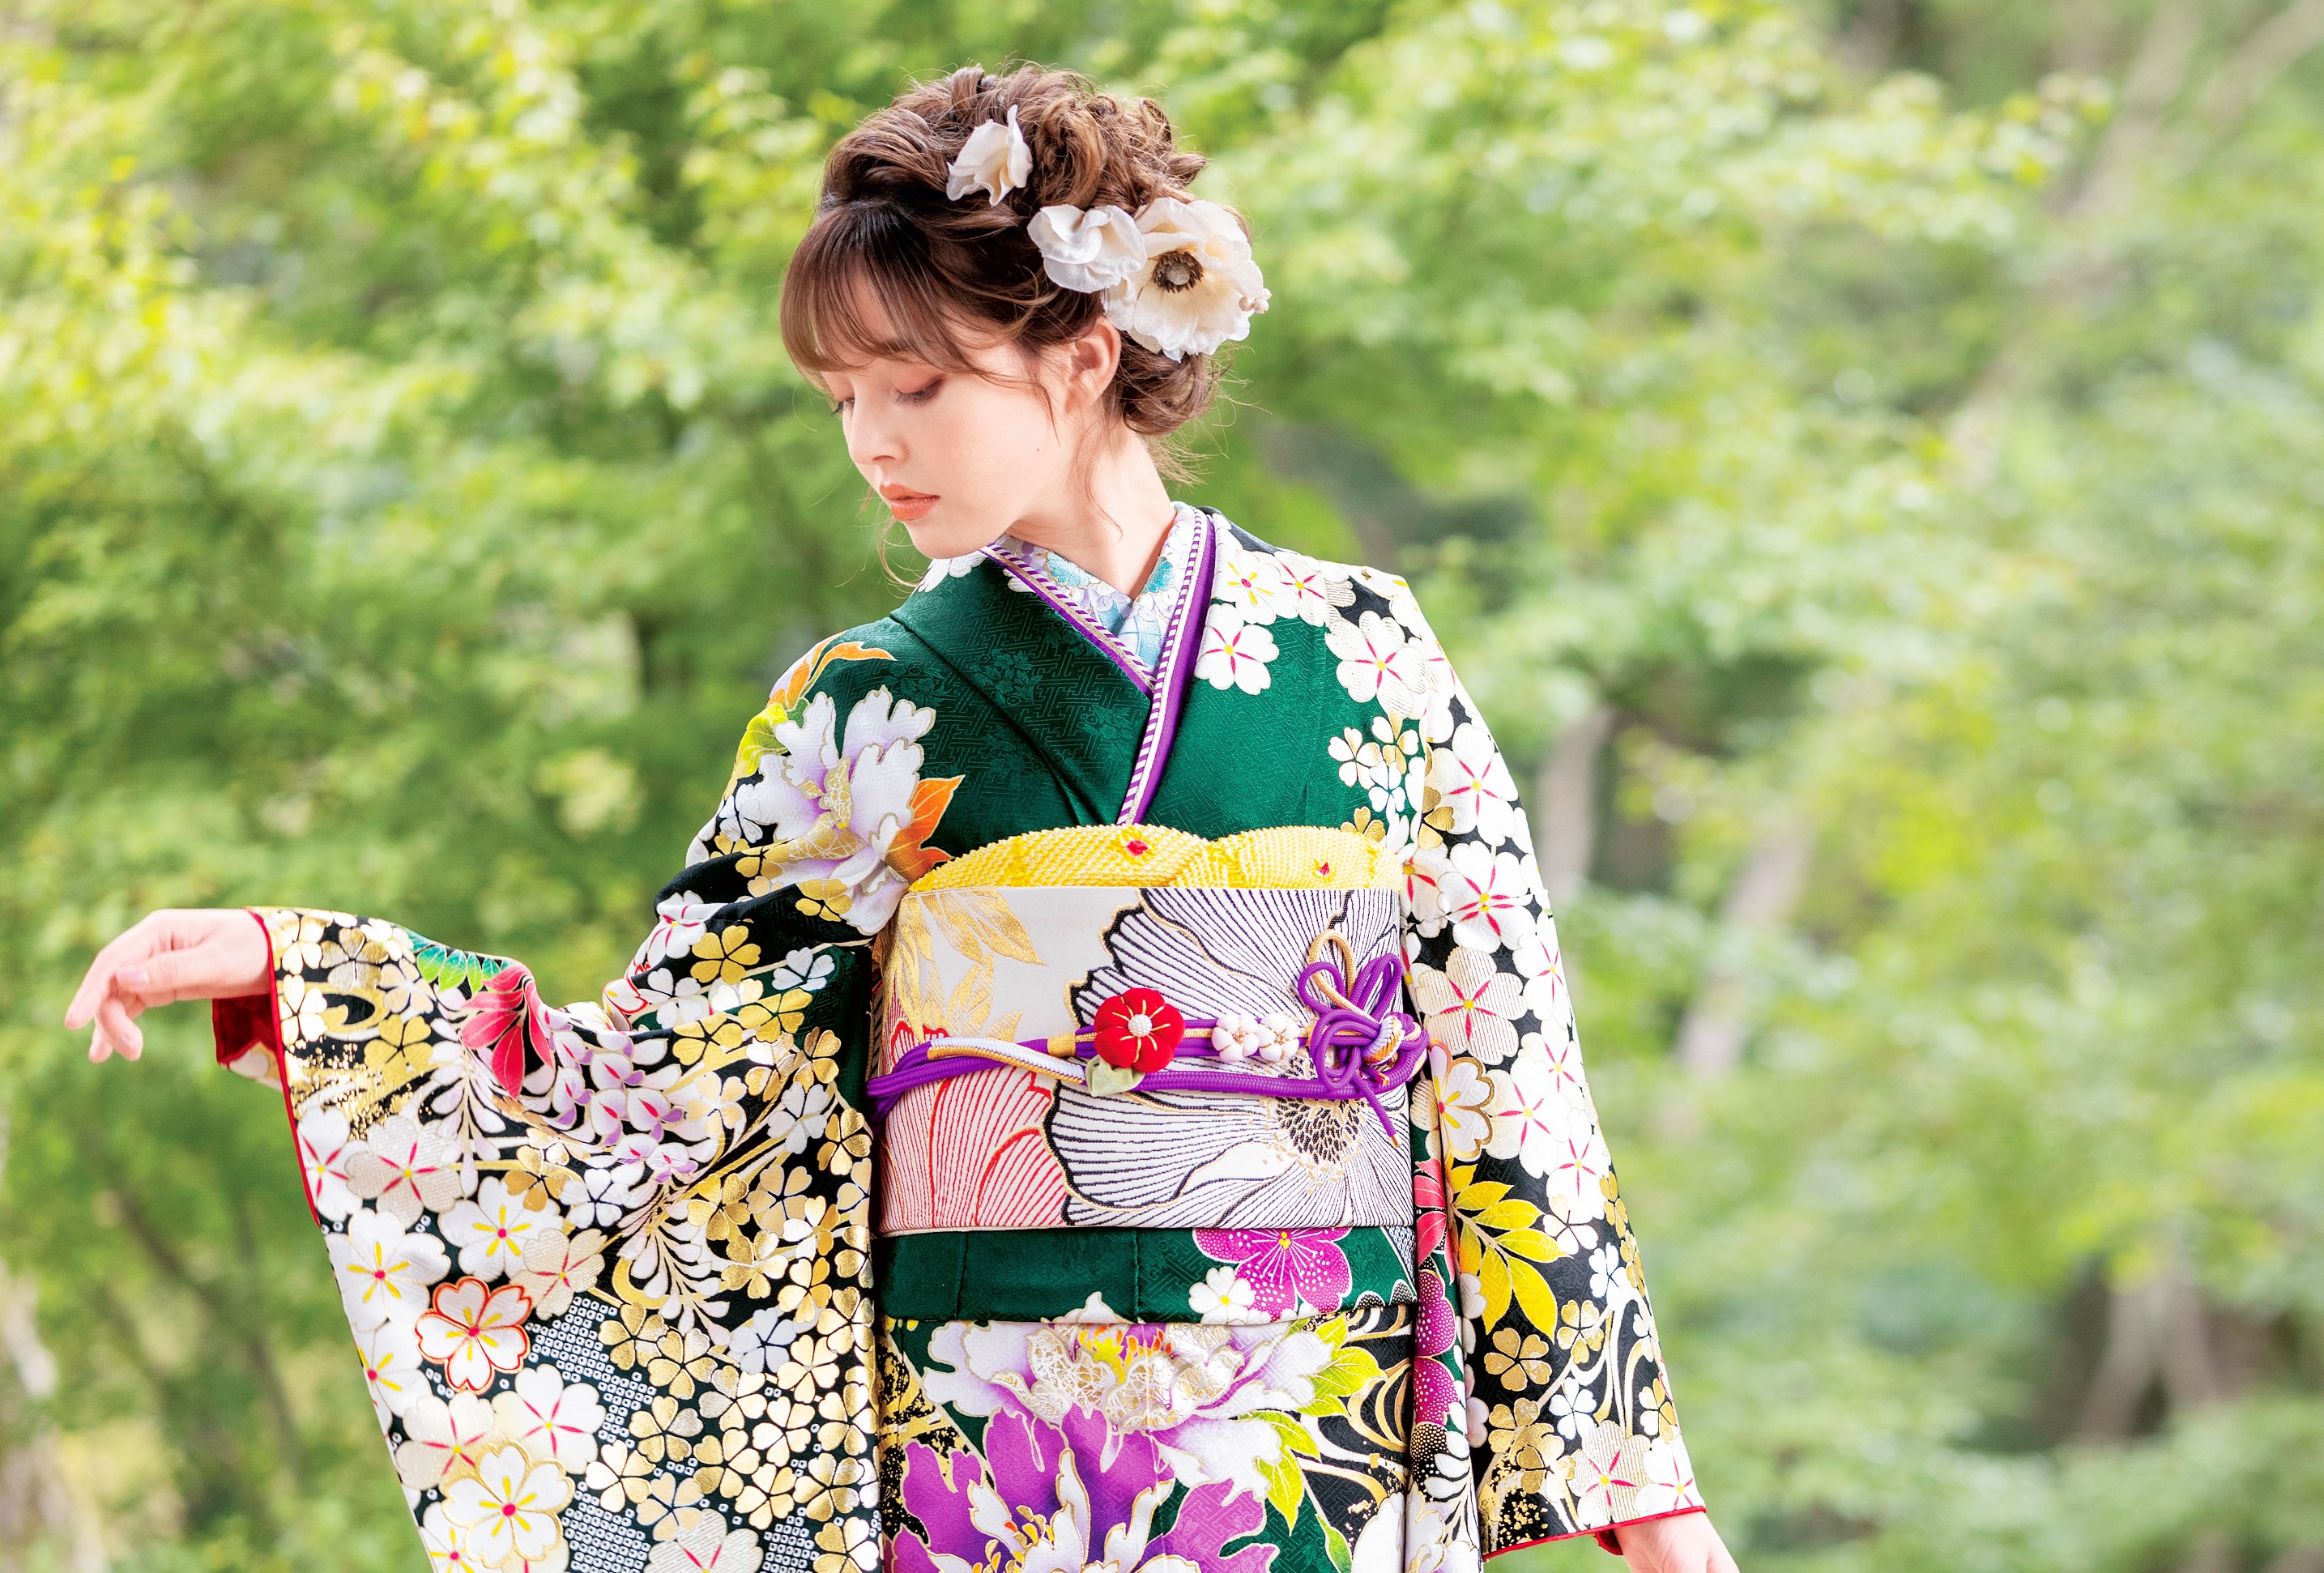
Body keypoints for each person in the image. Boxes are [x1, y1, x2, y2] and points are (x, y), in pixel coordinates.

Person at [66, 64, 1738, 1573]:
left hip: (1318, 1414)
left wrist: (1638, 1486)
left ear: (1084, 356)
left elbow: (1509, 1075)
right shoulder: (866, 707)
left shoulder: (1366, 654)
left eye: (918, 385)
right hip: (993, 1437)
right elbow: (650, 1090)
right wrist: (307, 972)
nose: (872, 441)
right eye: (842, 396)